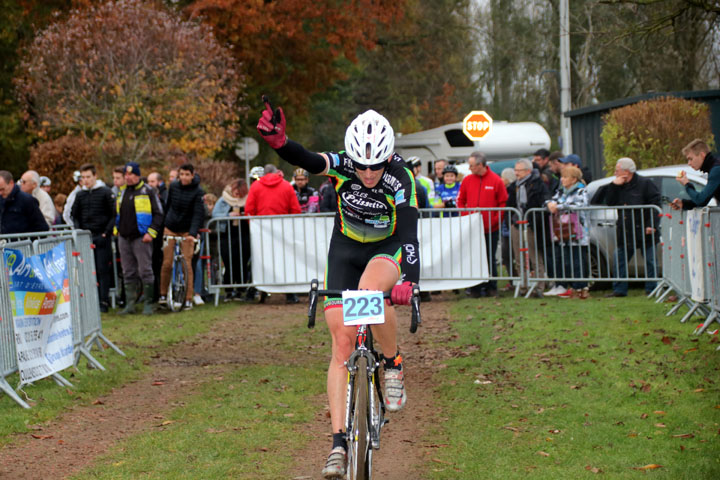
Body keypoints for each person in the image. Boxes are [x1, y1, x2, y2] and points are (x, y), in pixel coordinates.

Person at [257, 101, 419, 479]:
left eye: (375, 165)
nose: (367, 172)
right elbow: (309, 159)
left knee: (369, 292)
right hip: (345, 248)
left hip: (386, 248)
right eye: (361, 165)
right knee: (342, 345)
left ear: (388, 157)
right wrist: (281, 145)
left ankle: (393, 364)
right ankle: (338, 443)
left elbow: (410, 233)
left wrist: (409, 279)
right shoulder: (343, 165)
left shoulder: (400, 177)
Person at [594, 157, 661, 297]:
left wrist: (652, 225)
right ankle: (619, 289)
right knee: (620, 260)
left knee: (650, 261)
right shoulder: (618, 185)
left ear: (626, 171)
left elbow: (655, 205)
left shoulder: (645, 184)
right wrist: (613, 185)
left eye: (617, 170)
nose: (615, 173)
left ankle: (652, 289)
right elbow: (609, 202)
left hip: (644, 228)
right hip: (626, 230)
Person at [246, 164, 302, 304]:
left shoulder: (256, 187)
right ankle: (290, 293)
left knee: (261, 261)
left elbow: (249, 209)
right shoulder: (287, 186)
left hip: (261, 231)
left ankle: (262, 290)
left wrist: (252, 226)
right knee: (286, 260)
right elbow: (295, 209)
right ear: (277, 172)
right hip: (284, 229)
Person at [457, 151, 508, 297]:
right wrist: (467, 217)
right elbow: (460, 201)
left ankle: (492, 287)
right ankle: (476, 288)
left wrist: (495, 220)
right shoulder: (467, 180)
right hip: (472, 228)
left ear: (480, 165)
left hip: (491, 228)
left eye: (472, 165)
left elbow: (503, 202)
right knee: (474, 257)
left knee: (490, 257)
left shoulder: (496, 180)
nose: (470, 168)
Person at [115, 162, 164, 315]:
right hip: (124, 237)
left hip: (141, 237)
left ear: (137, 175)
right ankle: (130, 304)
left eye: (131, 175)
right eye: (126, 175)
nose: (128, 178)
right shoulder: (122, 192)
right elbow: (117, 213)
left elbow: (159, 214)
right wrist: (116, 230)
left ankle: (149, 303)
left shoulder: (148, 191)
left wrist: (151, 233)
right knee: (128, 271)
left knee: (145, 270)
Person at [159, 163, 205, 310]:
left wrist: (192, 234)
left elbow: (198, 214)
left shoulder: (198, 192)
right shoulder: (173, 186)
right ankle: (163, 294)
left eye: (187, 175)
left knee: (187, 263)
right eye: (181, 174)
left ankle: (188, 298)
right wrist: (164, 225)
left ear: (192, 175)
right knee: (167, 263)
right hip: (171, 227)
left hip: (187, 229)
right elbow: (168, 206)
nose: (184, 178)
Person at [71, 164, 115, 312]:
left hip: (101, 236)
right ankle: (89, 301)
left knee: (102, 269)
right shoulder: (80, 195)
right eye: (83, 177)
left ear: (95, 176)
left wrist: (106, 233)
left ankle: (103, 300)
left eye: (88, 177)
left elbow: (113, 214)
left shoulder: (105, 192)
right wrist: (79, 231)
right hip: (85, 237)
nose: (86, 180)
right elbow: (74, 215)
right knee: (86, 270)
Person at [544, 165, 590, 299]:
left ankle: (582, 287)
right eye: (561, 177)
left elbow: (580, 205)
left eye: (565, 177)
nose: (562, 180)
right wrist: (549, 205)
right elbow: (551, 200)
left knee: (578, 261)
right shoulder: (561, 192)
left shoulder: (581, 191)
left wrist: (558, 207)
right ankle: (573, 288)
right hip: (564, 233)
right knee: (568, 261)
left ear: (574, 179)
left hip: (578, 233)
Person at [507, 158, 550, 296]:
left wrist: (533, 219)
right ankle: (523, 286)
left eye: (519, 170)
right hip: (516, 223)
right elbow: (510, 205)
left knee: (534, 256)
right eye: (515, 170)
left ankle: (539, 287)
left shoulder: (538, 184)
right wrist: (511, 219)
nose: (516, 173)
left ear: (528, 171)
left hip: (531, 224)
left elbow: (543, 200)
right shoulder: (514, 187)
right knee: (519, 256)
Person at [213, 179, 251, 301]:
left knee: (242, 262)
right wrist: (228, 216)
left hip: (243, 234)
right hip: (227, 235)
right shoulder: (223, 200)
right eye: (236, 192)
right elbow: (215, 214)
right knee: (229, 262)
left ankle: (241, 289)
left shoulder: (247, 200)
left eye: (240, 193)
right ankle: (229, 290)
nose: (237, 195)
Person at [671, 138, 720, 210]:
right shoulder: (714, 168)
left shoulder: (716, 170)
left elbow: (701, 200)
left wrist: (687, 184)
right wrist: (684, 204)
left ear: (702, 155)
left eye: (691, 159)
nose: (689, 163)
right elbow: (705, 198)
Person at [499, 168, 517, 289]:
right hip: (505, 228)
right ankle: (513, 280)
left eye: (503, 177)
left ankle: (519, 280)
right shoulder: (503, 190)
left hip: (512, 226)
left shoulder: (513, 190)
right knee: (506, 255)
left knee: (515, 255)